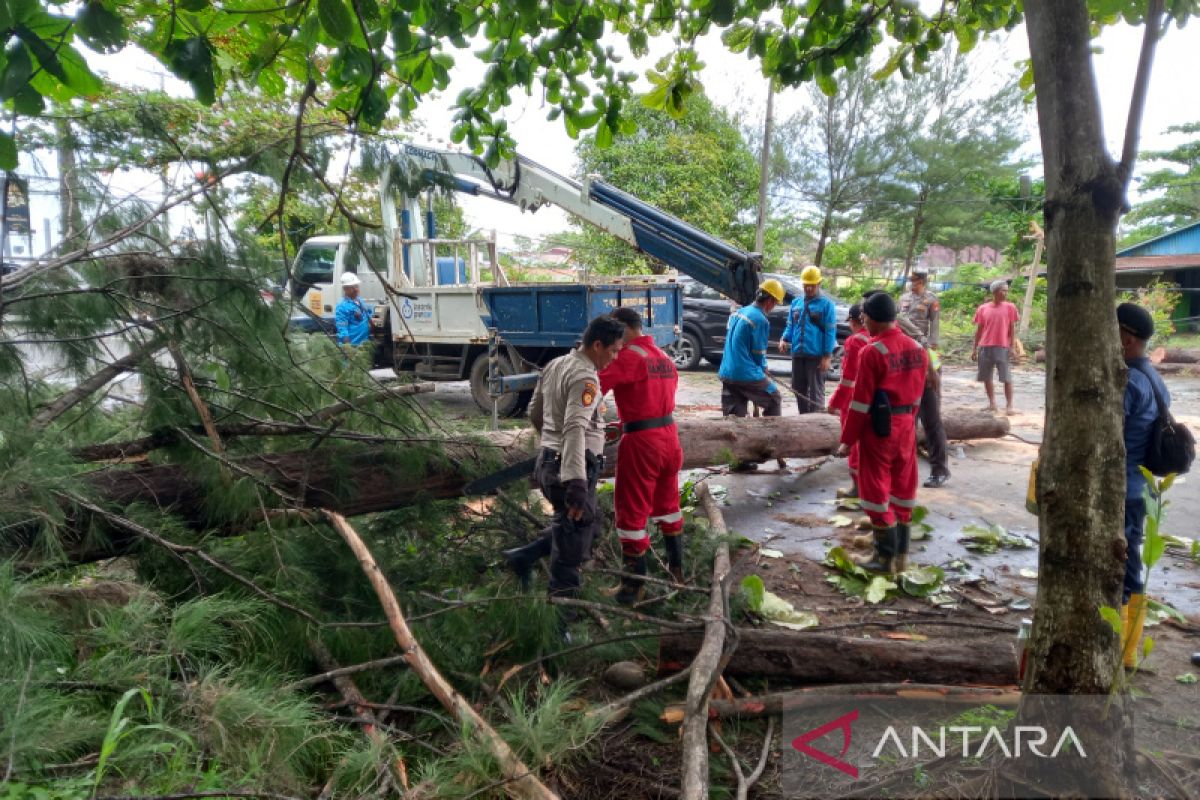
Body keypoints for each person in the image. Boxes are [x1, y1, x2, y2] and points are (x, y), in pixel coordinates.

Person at [502, 315, 625, 636]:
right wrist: (576, 482)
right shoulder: (586, 378)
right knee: (571, 548)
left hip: (549, 462)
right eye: (613, 351)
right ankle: (558, 628)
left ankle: (524, 557)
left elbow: (534, 412)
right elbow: (574, 426)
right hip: (570, 470)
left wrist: (550, 444)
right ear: (597, 345)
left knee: (589, 525)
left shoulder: (556, 364)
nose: (614, 358)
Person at [836, 292, 927, 575]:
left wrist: (847, 441)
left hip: (879, 430)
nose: (863, 323)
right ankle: (901, 558)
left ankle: (884, 559)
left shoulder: (871, 352)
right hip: (906, 428)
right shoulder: (917, 348)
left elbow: (860, 403)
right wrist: (908, 424)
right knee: (902, 491)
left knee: (875, 491)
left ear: (872, 319)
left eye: (864, 318)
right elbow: (918, 397)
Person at [599, 307, 685, 603]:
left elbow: (594, 385)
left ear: (623, 329)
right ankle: (678, 574)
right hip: (669, 438)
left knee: (631, 513)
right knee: (668, 507)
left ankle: (632, 588)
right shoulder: (663, 358)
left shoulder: (628, 357)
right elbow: (653, 400)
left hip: (642, 444)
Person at [1117, 302, 1171, 668]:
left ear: (1126, 339)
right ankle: (1129, 647)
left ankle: (1124, 648)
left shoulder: (1130, 381)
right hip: (1144, 488)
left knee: (1124, 565)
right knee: (1131, 560)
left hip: (1127, 489)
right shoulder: (1153, 376)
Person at [899, 271, 951, 488]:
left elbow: (929, 336)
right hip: (908, 364)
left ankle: (939, 470)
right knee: (907, 421)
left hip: (927, 362)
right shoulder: (902, 301)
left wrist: (931, 365)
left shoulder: (930, 301)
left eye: (915, 281)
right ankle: (904, 471)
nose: (912, 285)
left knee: (930, 420)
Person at [718, 278, 786, 417]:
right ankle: (772, 437)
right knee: (774, 398)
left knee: (735, 418)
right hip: (744, 373)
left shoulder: (740, 312)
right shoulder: (760, 319)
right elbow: (758, 353)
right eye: (775, 304)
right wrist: (763, 369)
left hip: (727, 372)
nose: (774, 307)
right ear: (769, 301)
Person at [779, 266, 838, 414]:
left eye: (812, 285)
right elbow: (791, 325)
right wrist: (784, 338)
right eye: (806, 285)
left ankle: (816, 421)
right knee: (798, 388)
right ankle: (803, 417)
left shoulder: (827, 305)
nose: (809, 288)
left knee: (816, 391)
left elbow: (830, 332)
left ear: (819, 284)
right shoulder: (796, 303)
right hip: (798, 353)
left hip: (816, 356)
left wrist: (827, 356)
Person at [827, 302, 870, 499]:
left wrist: (835, 402)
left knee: (852, 443)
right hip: (874, 401)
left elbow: (848, 379)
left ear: (854, 321)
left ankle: (857, 488)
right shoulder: (876, 337)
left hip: (853, 402)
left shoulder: (854, 342)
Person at [972, 280, 1020, 415]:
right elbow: (979, 330)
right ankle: (992, 403)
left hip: (1002, 346)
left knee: (1006, 377)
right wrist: (974, 349)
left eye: (1006, 290)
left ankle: (1009, 406)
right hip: (985, 347)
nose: (1005, 293)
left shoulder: (1010, 307)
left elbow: (1012, 328)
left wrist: (1012, 346)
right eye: (1002, 290)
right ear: (994, 292)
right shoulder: (983, 308)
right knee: (986, 377)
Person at [335, 272, 373, 346]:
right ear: (345, 289)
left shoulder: (360, 300)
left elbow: (368, 314)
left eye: (356, 286)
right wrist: (348, 348)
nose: (356, 289)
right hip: (353, 346)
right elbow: (342, 328)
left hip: (363, 344)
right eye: (352, 287)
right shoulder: (342, 306)